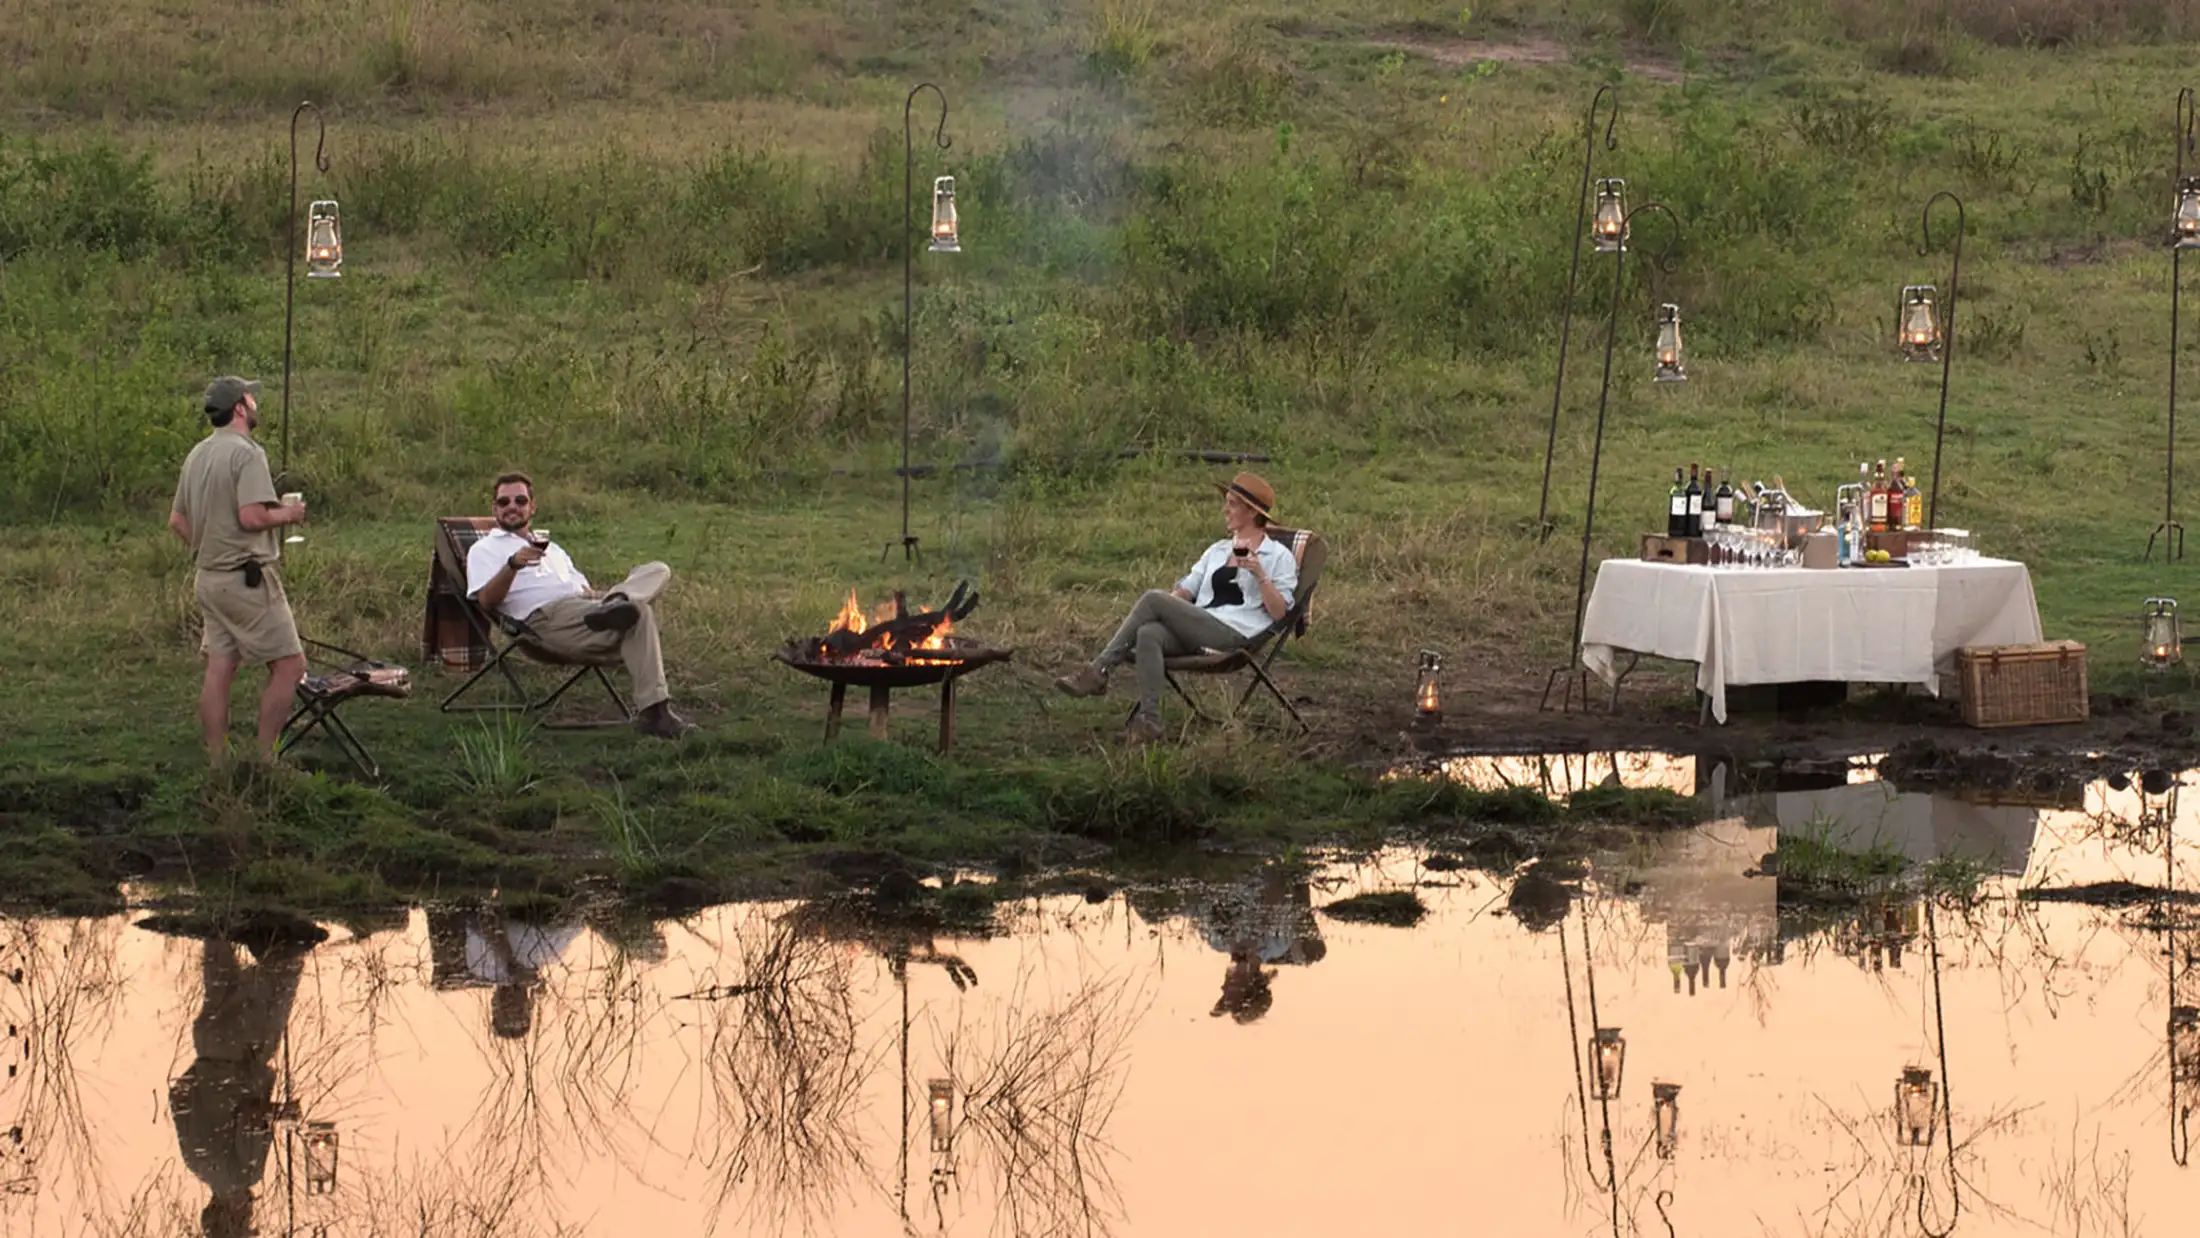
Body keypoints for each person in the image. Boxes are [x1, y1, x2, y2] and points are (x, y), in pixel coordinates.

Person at [1053, 471, 1297, 744]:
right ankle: (1150, 722)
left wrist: (1259, 573)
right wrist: (1167, 610)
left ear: (1252, 512)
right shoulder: (1217, 550)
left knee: (1153, 598)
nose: (1224, 509)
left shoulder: (1278, 556)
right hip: (1201, 627)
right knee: (1149, 632)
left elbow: (1279, 614)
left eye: (1231, 504)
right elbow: (1185, 591)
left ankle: (1098, 672)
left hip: (1235, 635)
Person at [464, 471, 694, 739]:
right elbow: (486, 601)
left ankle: (617, 602)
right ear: (494, 509)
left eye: (520, 500)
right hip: (545, 619)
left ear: (532, 506)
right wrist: (513, 565)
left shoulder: (552, 548)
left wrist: (603, 597)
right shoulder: (484, 549)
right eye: (504, 502)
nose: (512, 506)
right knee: (639, 612)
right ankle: (657, 713)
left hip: (585, 608)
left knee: (657, 570)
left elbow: (583, 589)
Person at [167, 376, 310, 767]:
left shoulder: (197, 454)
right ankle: (266, 760)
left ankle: (218, 762)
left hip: (208, 579)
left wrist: (209, 545)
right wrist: (289, 514)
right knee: (290, 666)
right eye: (250, 396)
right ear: (241, 408)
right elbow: (251, 516)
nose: (254, 400)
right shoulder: (248, 454)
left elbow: (177, 520)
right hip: (245, 580)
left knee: (220, 666)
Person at [169, 933, 311, 1238]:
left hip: (245, 1048)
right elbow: (179, 1094)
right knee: (216, 946)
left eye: (247, 1222)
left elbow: (250, 1116)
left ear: (234, 1218)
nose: (252, 1212)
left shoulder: (245, 1174)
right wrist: (211, 1075)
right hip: (208, 1042)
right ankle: (218, 897)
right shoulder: (195, 1163)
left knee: (286, 957)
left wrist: (281, 1114)